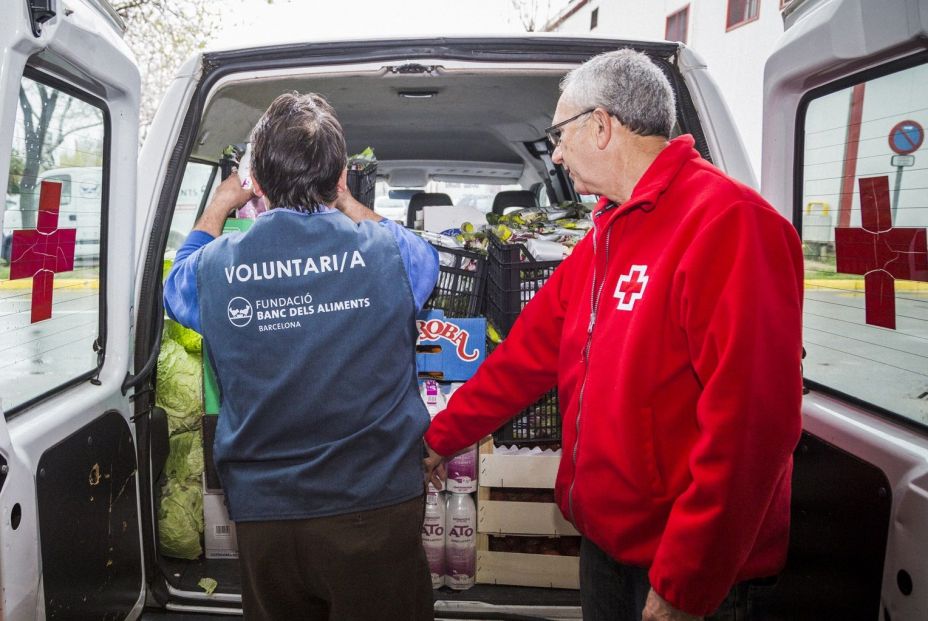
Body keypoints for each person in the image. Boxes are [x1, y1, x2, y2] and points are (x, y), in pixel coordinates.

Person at [423, 50, 803, 621]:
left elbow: (752, 425)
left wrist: (684, 581)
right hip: (606, 547)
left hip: (686, 566)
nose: (555, 153)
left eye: (559, 134)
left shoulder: (730, 223)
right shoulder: (606, 231)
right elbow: (524, 358)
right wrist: (440, 439)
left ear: (600, 126)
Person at [164, 92, 438, 620]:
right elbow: (422, 255)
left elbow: (176, 286)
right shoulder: (390, 253)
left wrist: (219, 205)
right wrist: (346, 201)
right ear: (340, 177)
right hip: (376, 503)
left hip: (267, 515)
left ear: (256, 182)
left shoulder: (214, 268)